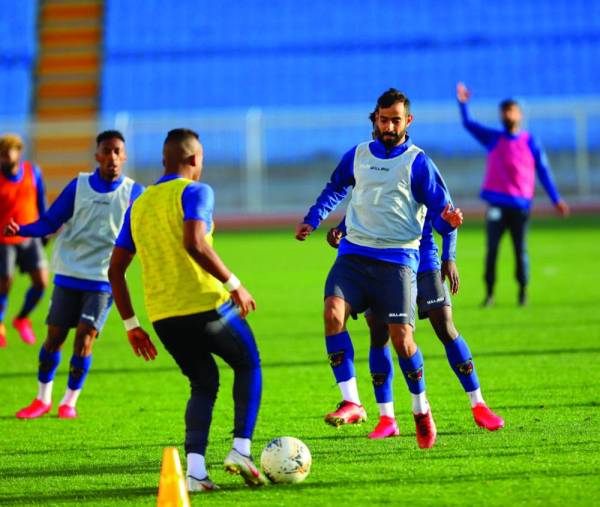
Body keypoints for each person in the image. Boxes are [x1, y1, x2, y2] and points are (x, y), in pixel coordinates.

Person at [296, 88, 463, 449]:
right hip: (354, 254)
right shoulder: (358, 155)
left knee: (402, 340)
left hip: (398, 260)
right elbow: (335, 188)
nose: (388, 127)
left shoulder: (419, 163)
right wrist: (314, 218)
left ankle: (420, 408)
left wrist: (448, 230)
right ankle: (352, 402)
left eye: (395, 120)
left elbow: (441, 213)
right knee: (332, 312)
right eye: (383, 120)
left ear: (408, 121)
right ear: (375, 118)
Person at [109, 128, 265, 492]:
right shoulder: (196, 191)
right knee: (248, 363)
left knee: (203, 383)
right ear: (195, 159)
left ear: (165, 160)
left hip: (163, 317)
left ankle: (195, 473)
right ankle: (241, 450)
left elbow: (115, 270)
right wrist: (234, 283)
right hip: (206, 304)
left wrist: (132, 325)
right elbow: (194, 242)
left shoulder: (139, 205)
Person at [3, 130, 143, 419]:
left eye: (118, 151)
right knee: (54, 338)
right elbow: (50, 221)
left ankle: (69, 401)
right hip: (69, 273)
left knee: (85, 338)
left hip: (103, 280)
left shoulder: (133, 192)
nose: (113, 157)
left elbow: (143, 231)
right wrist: (22, 230)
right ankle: (42, 399)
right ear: (97, 156)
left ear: (125, 156)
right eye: (107, 151)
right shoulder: (78, 186)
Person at [327, 211, 504, 438]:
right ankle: (387, 419)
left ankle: (479, 405)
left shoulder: (422, 184)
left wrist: (449, 258)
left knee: (445, 327)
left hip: (424, 264)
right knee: (379, 334)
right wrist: (341, 229)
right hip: (384, 265)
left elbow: (446, 212)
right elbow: (364, 205)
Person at [456, 82, 569, 306]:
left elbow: (543, 171)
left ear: (519, 115)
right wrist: (463, 104)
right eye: (504, 111)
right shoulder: (494, 138)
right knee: (492, 250)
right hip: (497, 204)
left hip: (520, 206)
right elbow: (469, 124)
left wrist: (556, 199)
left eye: (511, 111)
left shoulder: (530, 142)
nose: (507, 115)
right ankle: (489, 294)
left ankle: (523, 291)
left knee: (520, 250)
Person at [0, 133, 48, 347]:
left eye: (6, 153)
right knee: (5, 283)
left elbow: (41, 202)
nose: (3, 158)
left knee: (41, 282)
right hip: (4, 240)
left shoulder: (33, 172)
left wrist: (45, 228)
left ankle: (21, 319)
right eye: (1, 154)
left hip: (30, 236)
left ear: (18, 153)